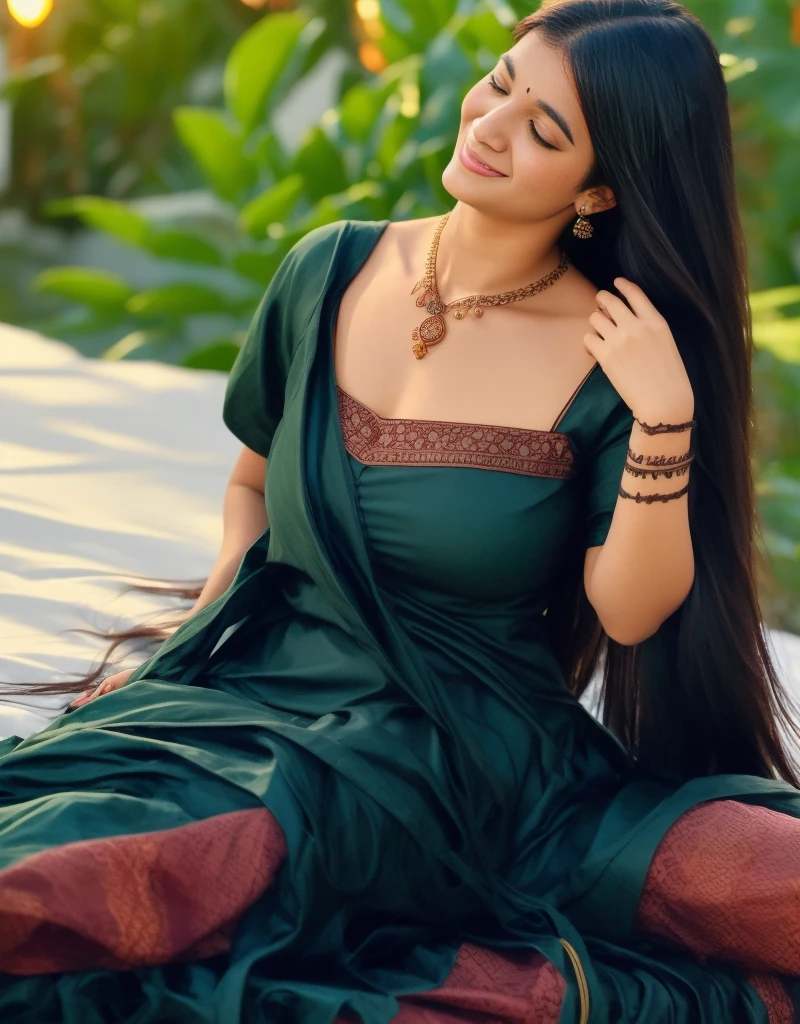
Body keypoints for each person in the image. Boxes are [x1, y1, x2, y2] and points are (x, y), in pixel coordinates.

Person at [2, 0, 800, 1020]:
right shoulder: (327, 269)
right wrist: (197, 645)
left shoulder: (613, 352)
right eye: (501, 83)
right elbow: (252, 483)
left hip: (494, 760)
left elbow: (632, 616)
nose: (490, 123)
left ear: (597, 189)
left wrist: (664, 421)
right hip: (275, 731)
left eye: (542, 129)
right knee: (87, 879)